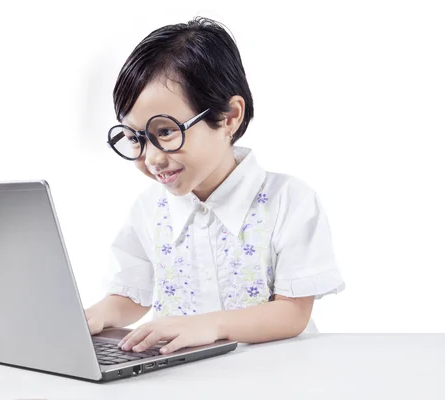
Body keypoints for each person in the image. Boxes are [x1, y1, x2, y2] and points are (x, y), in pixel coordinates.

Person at [85, 17, 345, 356]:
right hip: (182, 378)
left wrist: (211, 324)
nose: (152, 159)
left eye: (164, 132)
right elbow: (130, 296)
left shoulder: (289, 201)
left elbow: (292, 313)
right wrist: (92, 317)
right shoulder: (148, 210)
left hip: (276, 376)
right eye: (135, 138)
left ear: (229, 117)